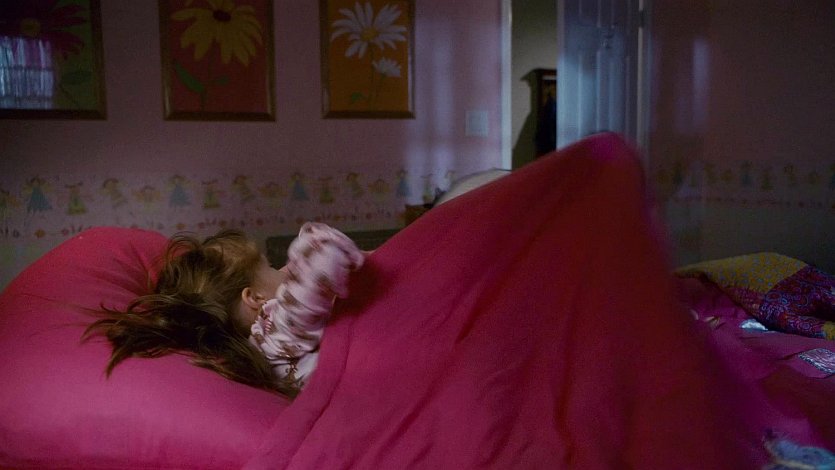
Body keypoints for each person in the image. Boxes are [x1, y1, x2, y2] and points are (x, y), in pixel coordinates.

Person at [83, 222, 364, 398]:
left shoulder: (260, 348)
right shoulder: (278, 329)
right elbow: (323, 254)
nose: (285, 271)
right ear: (255, 298)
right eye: (270, 267)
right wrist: (314, 236)